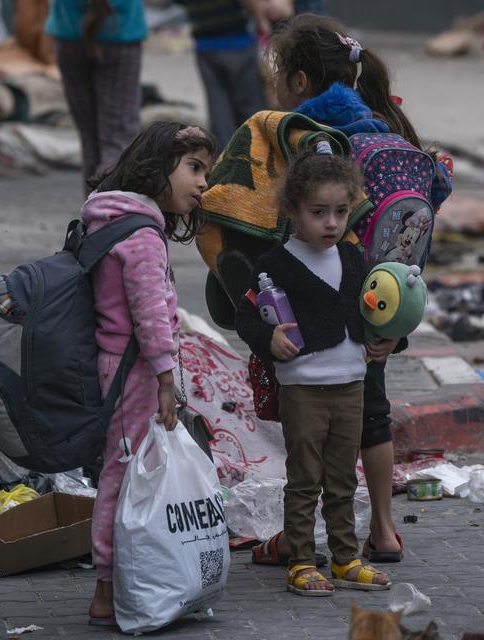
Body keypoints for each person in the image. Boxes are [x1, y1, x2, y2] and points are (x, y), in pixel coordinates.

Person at [249, 13, 452, 568]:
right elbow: (429, 200)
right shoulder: (390, 133)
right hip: (383, 304)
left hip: (322, 312)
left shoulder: (307, 140)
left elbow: (269, 230)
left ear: (297, 81)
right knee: (373, 413)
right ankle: (384, 531)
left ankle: (296, 540)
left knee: (309, 434)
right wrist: (390, 323)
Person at [236, 141, 391, 595]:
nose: (331, 223)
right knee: (305, 480)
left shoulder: (353, 258)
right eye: (318, 212)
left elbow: (375, 311)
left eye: (341, 212)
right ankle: (302, 561)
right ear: (292, 210)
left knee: (343, 479)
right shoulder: (274, 265)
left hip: (352, 386)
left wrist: (388, 339)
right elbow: (246, 317)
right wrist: (270, 339)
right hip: (303, 389)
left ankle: (346, 559)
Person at [81, 121, 216, 624]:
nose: (203, 183)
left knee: (130, 471)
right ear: (158, 168)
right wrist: (165, 377)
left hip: (124, 367)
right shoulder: (140, 235)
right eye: (194, 168)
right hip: (132, 372)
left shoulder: (115, 219)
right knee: (123, 475)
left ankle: (128, 579)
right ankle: (106, 589)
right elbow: (150, 315)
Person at [45, 1, 147, 193]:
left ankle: (93, 213)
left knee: (90, 138)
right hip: (121, 32)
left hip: (70, 33)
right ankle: (109, 212)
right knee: (118, 138)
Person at [175, 0, 269, 151]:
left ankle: (225, 164)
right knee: (250, 107)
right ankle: (258, 157)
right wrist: (262, 23)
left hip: (205, 45)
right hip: (238, 41)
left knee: (219, 111)